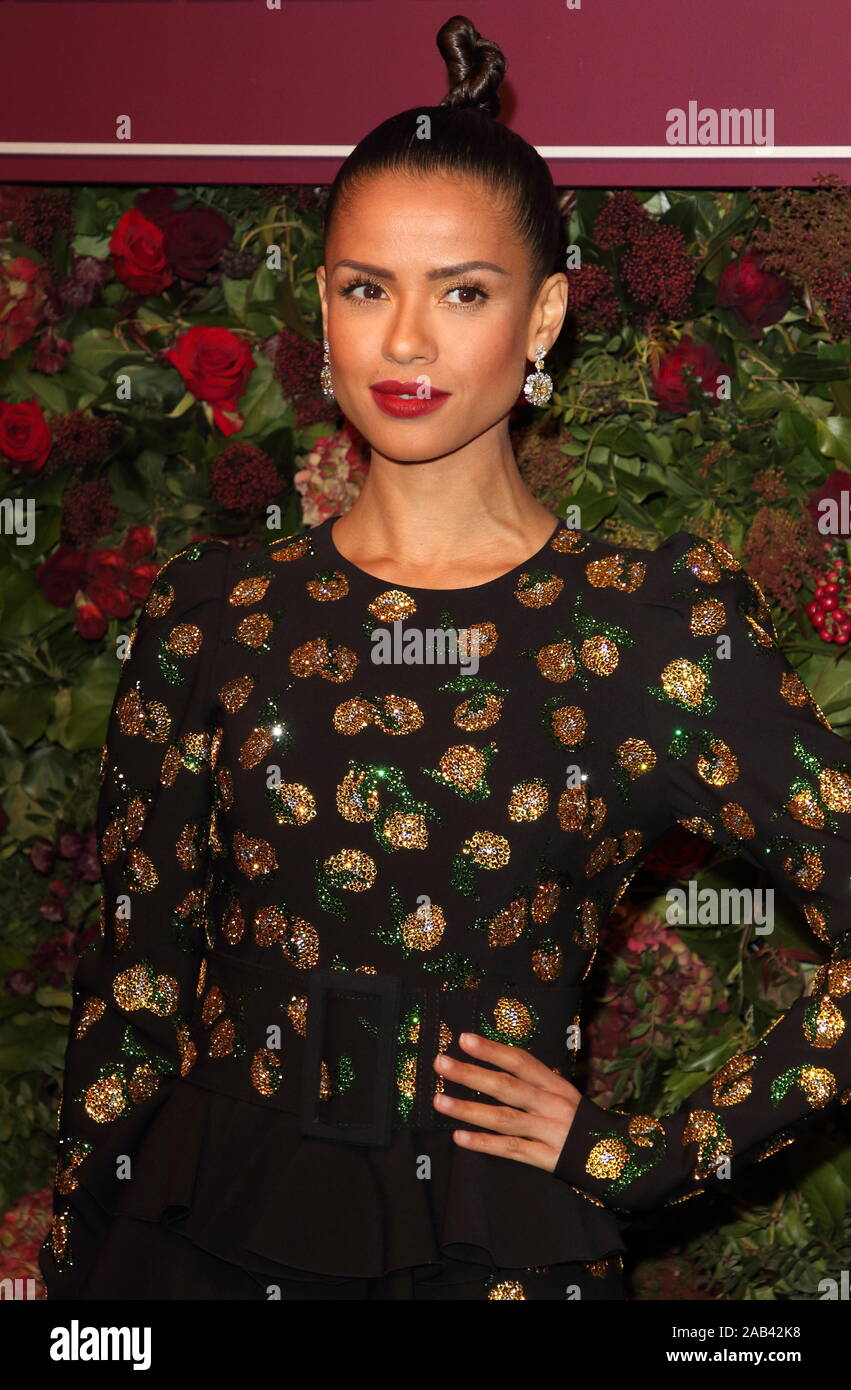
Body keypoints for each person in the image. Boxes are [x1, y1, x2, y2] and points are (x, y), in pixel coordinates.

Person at [39, 13, 851, 1303]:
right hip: (191, 1242)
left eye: (462, 291)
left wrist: (640, 1158)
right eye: (369, 288)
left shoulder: (643, 633)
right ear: (322, 306)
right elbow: (132, 995)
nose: (405, 343)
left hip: (492, 1256)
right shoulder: (209, 612)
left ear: (547, 317)